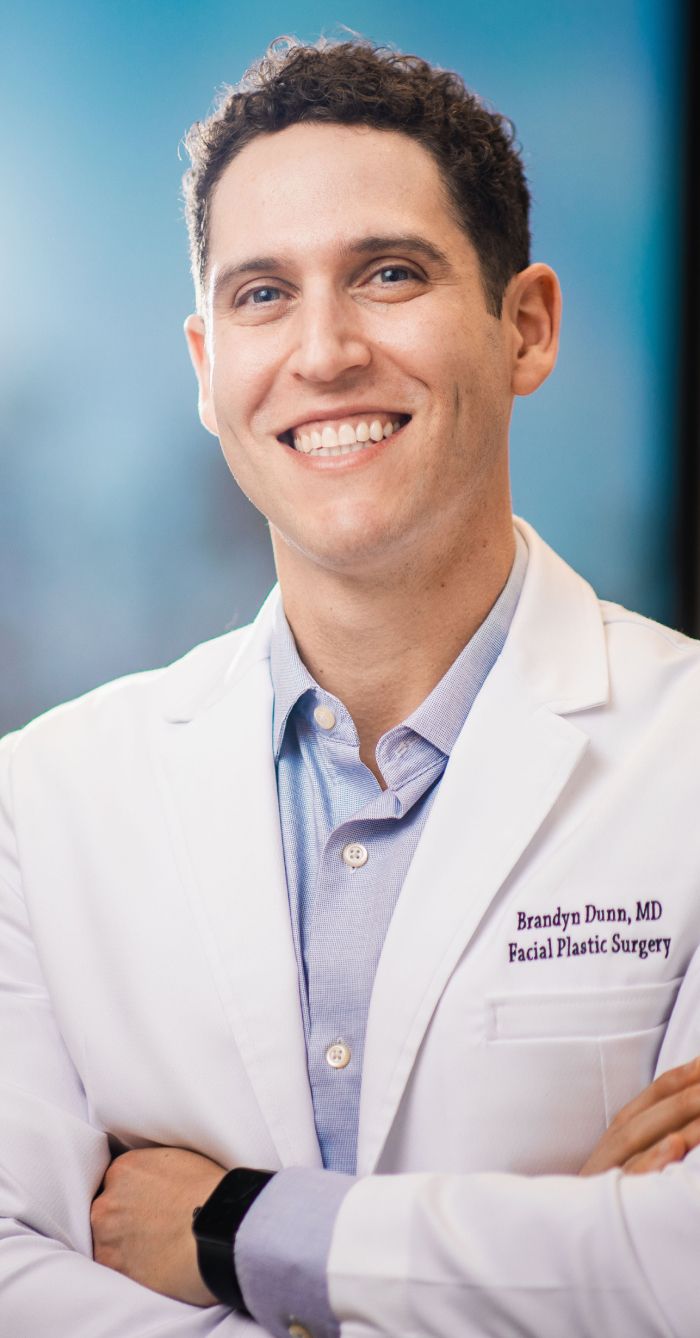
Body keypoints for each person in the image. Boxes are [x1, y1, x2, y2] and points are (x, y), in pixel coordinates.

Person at [2, 36, 700, 1338]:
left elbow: (687, 1263)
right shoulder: (42, 802)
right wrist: (551, 1267)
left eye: (389, 274)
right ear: (208, 367)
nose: (322, 351)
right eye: (264, 295)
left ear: (527, 325)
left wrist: (230, 1229)